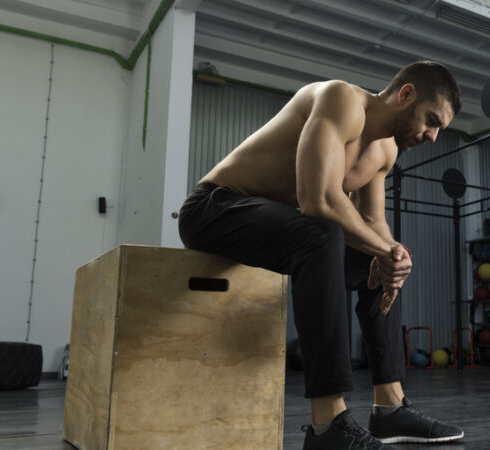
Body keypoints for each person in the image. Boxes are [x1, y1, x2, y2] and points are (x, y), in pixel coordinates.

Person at [178, 61, 464, 449]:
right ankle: (328, 426)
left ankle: (390, 406)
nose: (432, 136)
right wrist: (386, 249)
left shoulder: (385, 151)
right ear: (406, 94)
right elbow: (317, 200)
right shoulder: (342, 99)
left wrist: (395, 258)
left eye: (439, 129)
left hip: (277, 226)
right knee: (325, 232)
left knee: (374, 263)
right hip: (214, 208)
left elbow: (373, 222)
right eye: (431, 121)